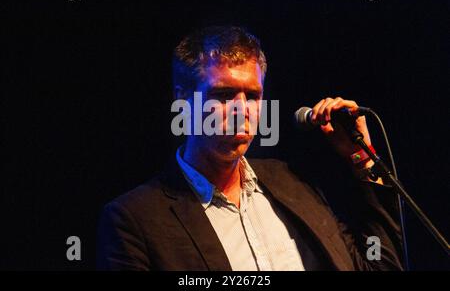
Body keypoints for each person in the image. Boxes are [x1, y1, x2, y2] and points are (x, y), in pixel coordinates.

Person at [96, 26, 403, 271]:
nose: (242, 109)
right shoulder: (134, 219)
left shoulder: (294, 183)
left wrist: (361, 158)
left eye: (253, 96)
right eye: (224, 94)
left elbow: (379, 266)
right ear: (184, 99)